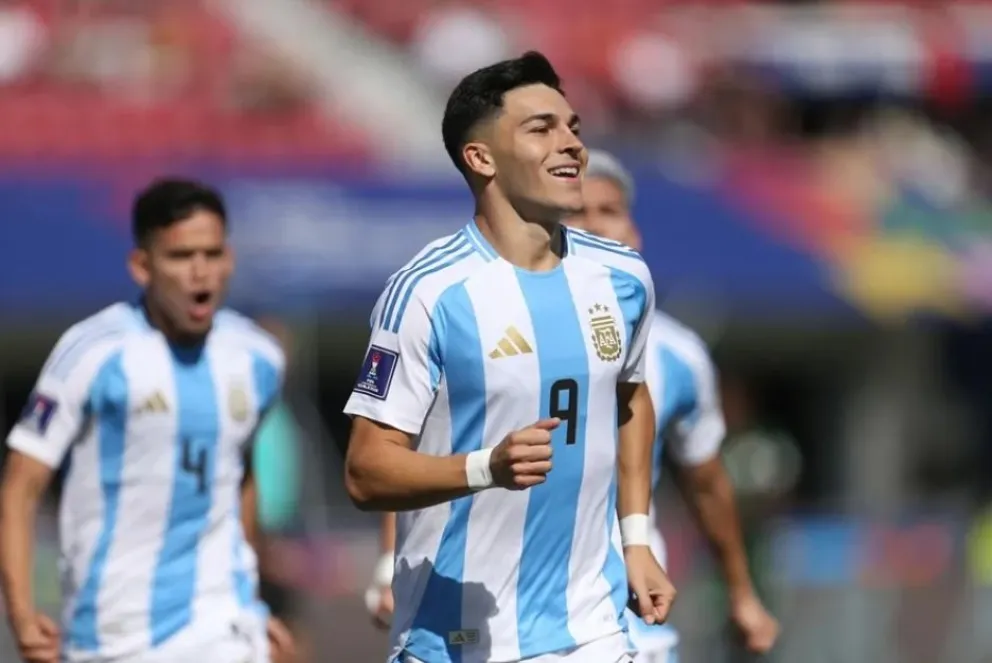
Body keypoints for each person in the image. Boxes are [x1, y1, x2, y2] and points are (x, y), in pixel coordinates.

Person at [344, 51, 674, 663]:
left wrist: (635, 538)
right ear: (481, 157)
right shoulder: (427, 292)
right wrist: (484, 467)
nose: (571, 144)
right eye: (541, 128)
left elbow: (631, 399)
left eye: (573, 126)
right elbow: (366, 470)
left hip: (592, 630)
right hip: (455, 639)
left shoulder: (623, 277)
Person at [0, 178, 295, 663]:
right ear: (142, 266)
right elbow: (20, 485)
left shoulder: (258, 357)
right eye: (180, 257)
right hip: (113, 630)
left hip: (224, 620)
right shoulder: (93, 351)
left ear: (230, 259)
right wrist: (21, 611)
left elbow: (238, 471)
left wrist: (256, 600)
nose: (200, 272)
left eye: (211, 253)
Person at [564, 150, 780, 662]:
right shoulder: (501, 332)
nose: (593, 225)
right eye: (576, 211)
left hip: (629, 618)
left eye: (609, 211)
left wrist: (741, 594)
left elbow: (705, 484)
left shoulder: (678, 355)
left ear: (634, 234)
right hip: (511, 615)